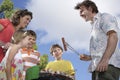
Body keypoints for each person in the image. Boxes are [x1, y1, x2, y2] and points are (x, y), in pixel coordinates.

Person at [74, 0, 120, 80]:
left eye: (82, 11)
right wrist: (89, 57)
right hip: (97, 68)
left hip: (107, 66)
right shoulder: (94, 25)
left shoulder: (104, 17)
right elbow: (101, 48)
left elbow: (113, 36)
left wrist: (105, 60)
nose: (80, 14)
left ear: (91, 9)